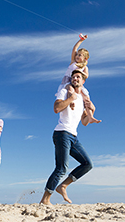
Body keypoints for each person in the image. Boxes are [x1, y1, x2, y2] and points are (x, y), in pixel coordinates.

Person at [41, 69, 96, 205]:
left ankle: (63, 186)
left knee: (87, 164)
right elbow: (56, 108)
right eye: (73, 77)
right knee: (61, 168)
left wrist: (92, 112)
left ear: (83, 81)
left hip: (73, 136)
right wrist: (71, 99)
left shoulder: (83, 99)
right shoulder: (65, 92)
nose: (75, 79)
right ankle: (45, 199)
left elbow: (84, 123)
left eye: (78, 77)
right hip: (62, 133)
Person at [56, 34, 101, 124]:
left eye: (80, 55)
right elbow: (74, 49)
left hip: (77, 83)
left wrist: (80, 73)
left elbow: (86, 76)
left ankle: (90, 116)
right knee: (70, 89)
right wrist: (81, 40)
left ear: (85, 58)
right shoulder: (73, 62)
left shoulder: (84, 67)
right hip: (68, 81)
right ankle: (71, 102)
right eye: (77, 55)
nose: (77, 56)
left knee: (86, 97)